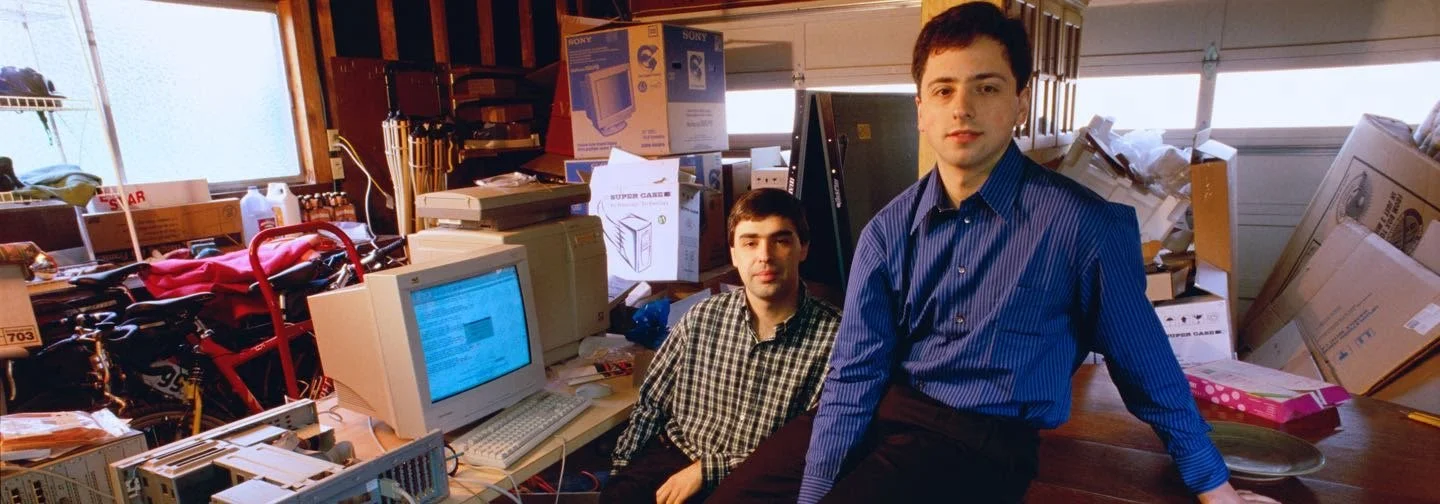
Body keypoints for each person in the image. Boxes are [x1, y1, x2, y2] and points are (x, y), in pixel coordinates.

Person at [708, 4, 1279, 504]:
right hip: (890, 408)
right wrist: (815, 489)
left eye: (986, 88)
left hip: (983, 438)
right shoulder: (887, 230)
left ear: (1019, 103)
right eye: (944, 90)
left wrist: (1212, 482)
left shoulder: (1083, 225)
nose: (962, 108)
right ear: (921, 110)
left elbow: (1144, 362)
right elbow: (855, 373)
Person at [601, 188, 842, 504]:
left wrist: (709, 469)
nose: (765, 256)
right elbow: (652, 406)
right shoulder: (702, 317)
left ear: (803, 248)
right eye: (750, 242)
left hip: (758, 478)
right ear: (734, 254)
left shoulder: (836, 339)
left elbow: (811, 447)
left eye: (780, 241)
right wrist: (622, 472)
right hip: (676, 456)